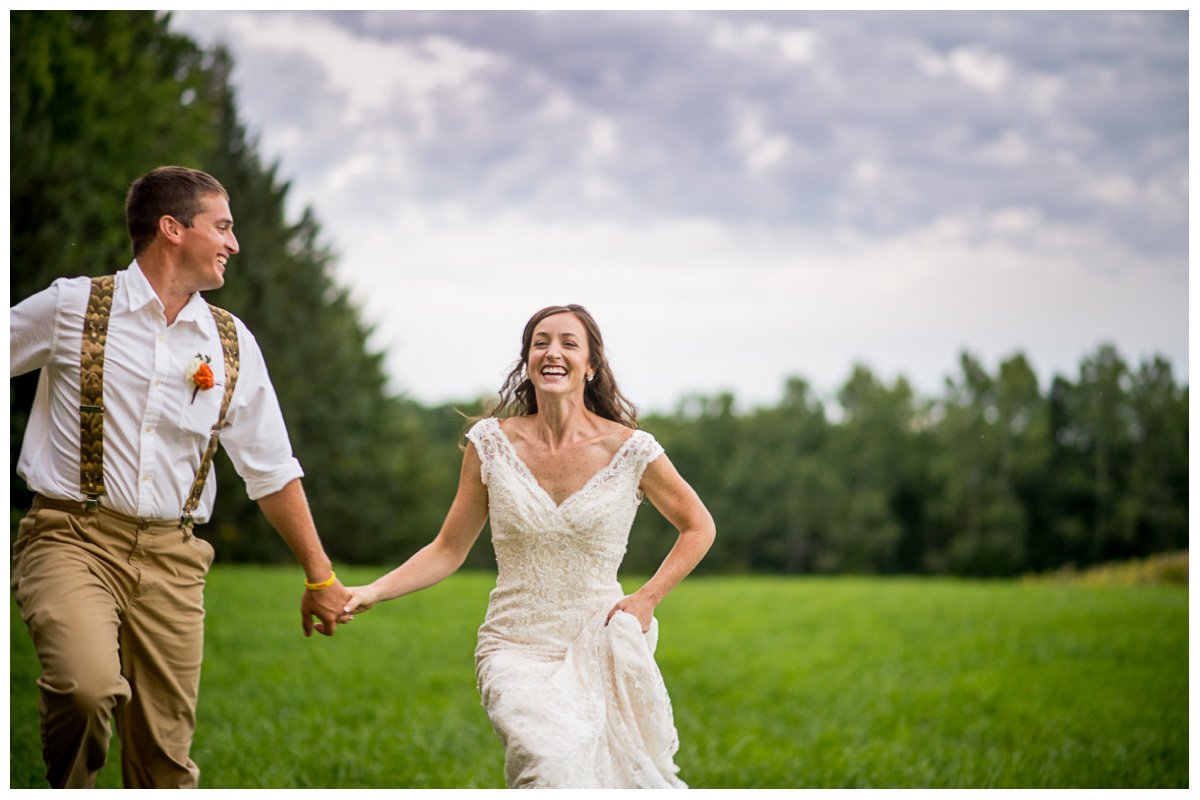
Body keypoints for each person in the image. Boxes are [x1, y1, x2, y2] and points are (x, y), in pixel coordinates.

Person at [9, 166, 352, 789]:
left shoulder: (231, 343)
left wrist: (319, 573)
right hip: (70, 538)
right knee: (84, 690)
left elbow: (271, 469)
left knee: (164, 760)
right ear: (172, 229)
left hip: (173, 559)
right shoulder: (73, 305)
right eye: (222, 227)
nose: (234, 243)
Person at [345, 304, 716, 788]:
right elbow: (448, 549)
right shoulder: (491, 444)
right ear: (527, 361)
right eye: (540, 342)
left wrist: (647, 599)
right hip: (513, 646)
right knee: (549, 765)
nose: (552, 352)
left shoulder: (631, 450)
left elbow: (698, 526)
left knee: (602, 780)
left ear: (591, 366)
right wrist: (373, 591)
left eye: (568, 342)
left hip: (598, 643)